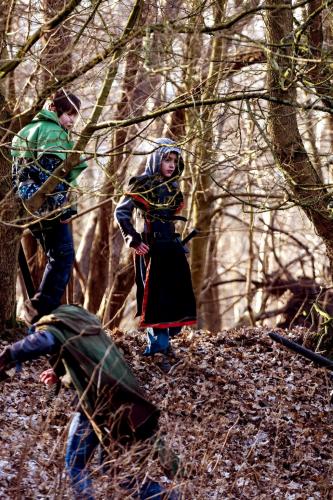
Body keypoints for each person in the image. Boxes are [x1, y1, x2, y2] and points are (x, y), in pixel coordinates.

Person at [0, 304, 179, 499]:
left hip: (99, 404)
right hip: (113, 401)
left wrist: (8, 356)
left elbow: (44, 342)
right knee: (114, 472)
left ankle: (166, 497)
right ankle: (167, 497)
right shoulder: (81, 323)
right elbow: (78, 355)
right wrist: (59, 372)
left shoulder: (56, 328)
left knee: (77, 464)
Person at [115, 138, 196, 370]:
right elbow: (121, 213)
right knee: (156, 300)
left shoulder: (173, 188)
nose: (171, 165)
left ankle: (165, 344)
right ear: (155, 159)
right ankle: (157, 350)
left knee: (175, 298)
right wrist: (134, 239)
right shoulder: (142, 185)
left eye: (174, 160)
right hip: (150, 250)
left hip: (171, 248)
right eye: (166, 159)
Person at [11, 89, 88, 324]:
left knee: (57, 255)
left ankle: (38, 309)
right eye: (68, 114)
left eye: (75, 115)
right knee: (63, 255)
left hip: (25, 204)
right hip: (46, 206)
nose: (72, 121)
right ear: (54, 109)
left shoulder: (27, 130)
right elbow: (53, 178)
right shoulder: (53, 133)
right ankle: (39, 311)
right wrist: (65, 210)